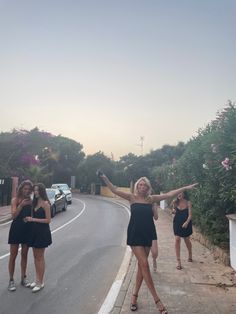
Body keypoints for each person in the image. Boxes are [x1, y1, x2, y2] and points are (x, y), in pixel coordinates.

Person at [99, 171, 197, 313]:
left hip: (147, 234)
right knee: (144, 264)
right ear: (137, 186)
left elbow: (169, 194)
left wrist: (185, 188)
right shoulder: (131, 197)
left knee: (141, 267)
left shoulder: (151, 199)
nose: (142, 187)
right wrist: (104, 177)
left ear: (148, 187)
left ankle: (134, 296)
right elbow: (114, 189)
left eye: (145, 185)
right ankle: (157, 300)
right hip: (135, 234)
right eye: (140, 184)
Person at [25, 183, 52, 293]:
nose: (35, 192)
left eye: (37, 190)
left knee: (40, 257)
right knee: (35, 257)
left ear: (41, 191)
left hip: (42, 233)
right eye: (34, 190)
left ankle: (40, 282)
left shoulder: (46, 204)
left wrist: (33, 219)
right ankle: (37, 280)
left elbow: (48, 220)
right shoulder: (35, 203)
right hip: (34, 232)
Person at [8, 180, 33, 291]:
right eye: (25, 189)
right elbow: (13, 216)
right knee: (13, 255)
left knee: (24, 255)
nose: (27, 191)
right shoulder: (15, 200)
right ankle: (11, 280)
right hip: (16, 229)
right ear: (21, 189)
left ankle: (23, 278)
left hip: (27, 229)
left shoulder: (31, 201)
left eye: (29, 189)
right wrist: (21, 205)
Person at [172, 191, 193, 270]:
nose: (179, 194)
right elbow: (173, 211)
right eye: (178, 193)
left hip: (186, 223)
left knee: (186, 240)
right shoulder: (175, 202)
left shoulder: (188, 203)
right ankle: (178, 262)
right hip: (177, 222)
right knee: (177, 239)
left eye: (180, 193)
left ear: (184, 194)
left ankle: (190, 254)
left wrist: (187, 223)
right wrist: (173, 211)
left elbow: (190, 215)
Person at [151, 203, 159, 272]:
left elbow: (156, 218)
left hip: (151, 229)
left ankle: (154, 259)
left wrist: (155, 209)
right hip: (140, 229)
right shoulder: (139, 201)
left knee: (155, 252)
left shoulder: (153, 204)